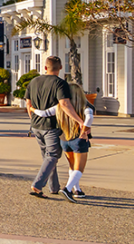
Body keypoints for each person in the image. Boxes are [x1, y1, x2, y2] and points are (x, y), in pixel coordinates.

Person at [24, 56, 87, 199]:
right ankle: (37, 185)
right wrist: (79, 120)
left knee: (46, 156)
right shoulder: (60, 83)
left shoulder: (33, 82)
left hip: (36, 125)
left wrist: (33, 119)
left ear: (45, 67)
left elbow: (28, 104)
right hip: (51, 126)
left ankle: (54, 187)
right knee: (52, 156)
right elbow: (64, 104)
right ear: (60, 68)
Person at [59, 81, 94, 200]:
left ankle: (77, 190)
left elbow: (45, 113)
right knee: (79, 168)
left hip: (64, 139)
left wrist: (32, 109)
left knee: (72, 166)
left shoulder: (61, 107)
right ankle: (67, 189)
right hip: (78, 140)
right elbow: (89, 117)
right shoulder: (86, 107)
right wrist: (84, 130)